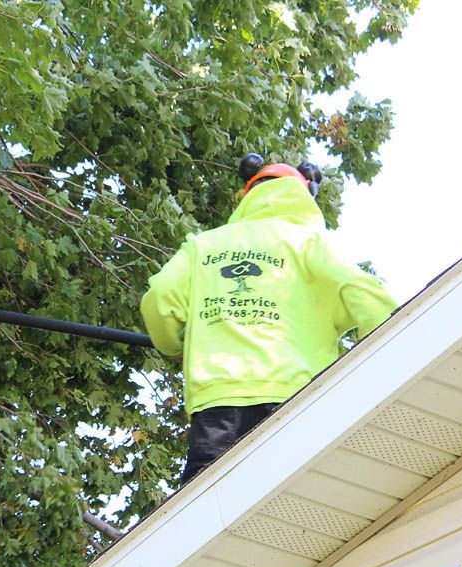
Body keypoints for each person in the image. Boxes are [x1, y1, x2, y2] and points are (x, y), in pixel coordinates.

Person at [140, 154, 398, 485]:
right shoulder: (307, 242)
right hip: (297, 401)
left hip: (217, 406)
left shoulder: (203, 246)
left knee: (205, 510)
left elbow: (159, 298)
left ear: (248, 194)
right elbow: (367, 296)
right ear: (307, 193)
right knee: (299, 508)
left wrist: (172, 344)